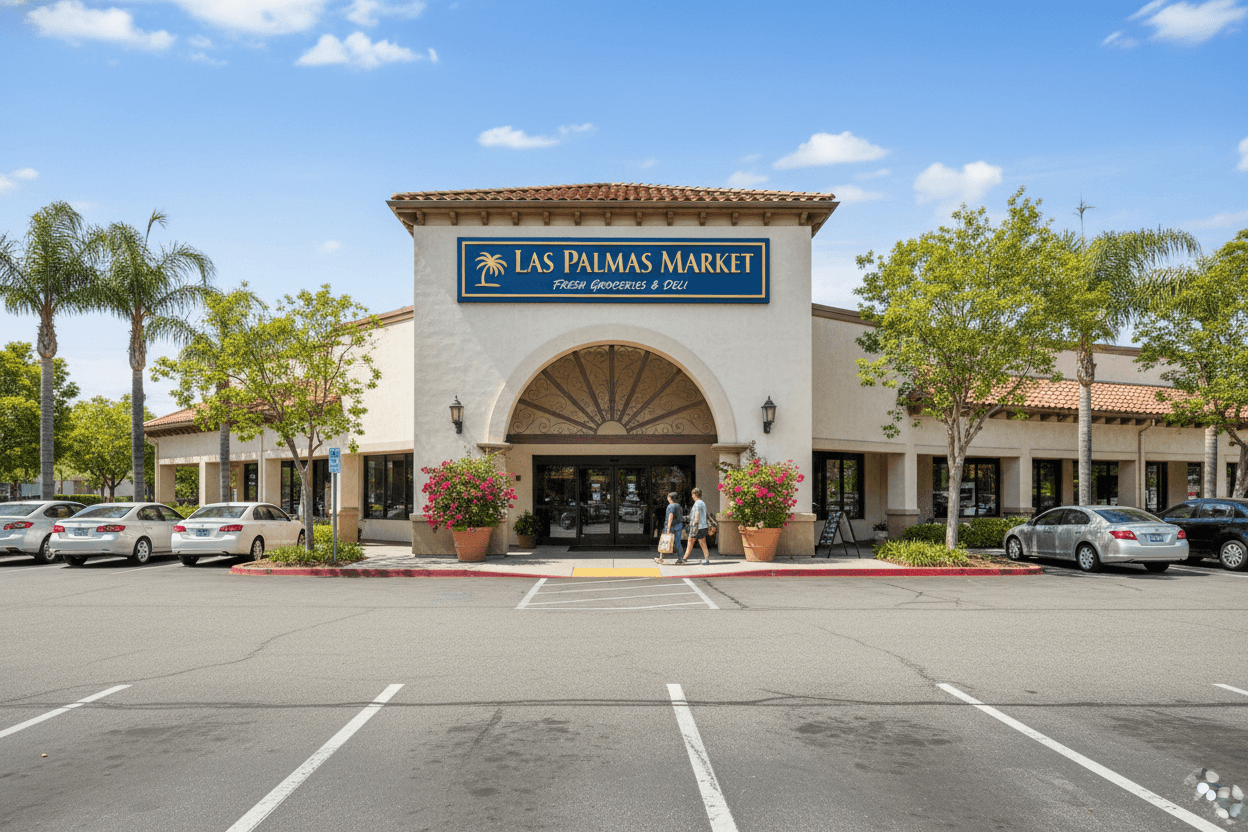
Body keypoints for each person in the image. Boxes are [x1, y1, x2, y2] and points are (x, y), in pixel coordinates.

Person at [680, 487, 711, 565]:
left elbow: (696, 515)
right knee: (703, 544)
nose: (692, 496)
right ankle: (706, 559)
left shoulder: (697, 503)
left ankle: (684, 559)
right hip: (703, 526)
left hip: (697, 527)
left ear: (694, 494)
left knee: (690, 543)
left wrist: (695, 524)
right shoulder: (702, 503)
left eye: (692, 494)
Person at [655, 491, 683, 564]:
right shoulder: (679, 506)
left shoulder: (670, 506)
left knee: (664, 542)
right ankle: (680, 558)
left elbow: (670, 516)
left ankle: (661, 558)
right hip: (678, 526)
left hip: (671, 527)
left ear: (670, 498)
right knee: (678, 543)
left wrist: (668, 528)